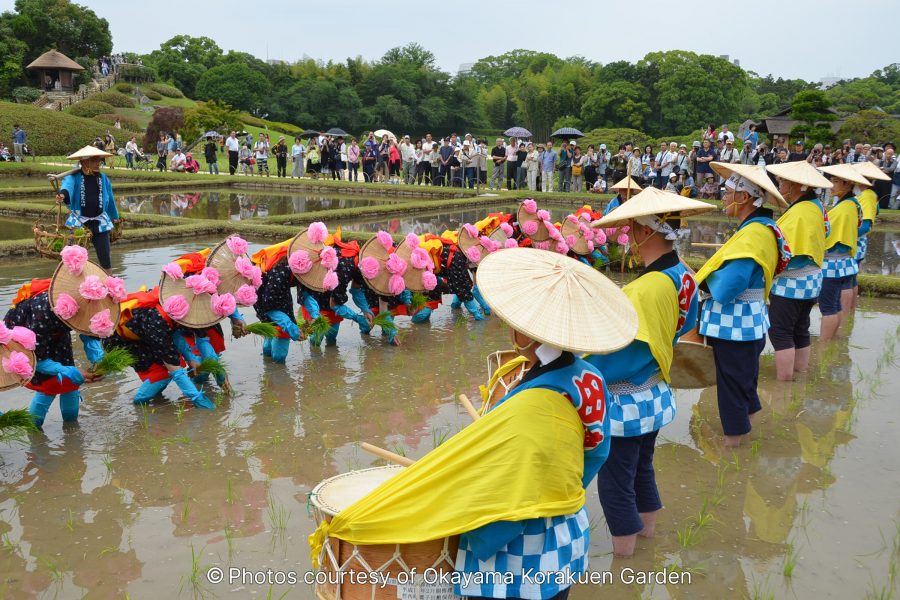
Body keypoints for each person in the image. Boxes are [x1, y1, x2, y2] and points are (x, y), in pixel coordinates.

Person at [590, 187, 713, 557]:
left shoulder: (644, 289)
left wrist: (581, 366)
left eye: (631, 228)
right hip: (656, 391)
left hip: (625, 401)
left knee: (615, 483)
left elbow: (617, 355)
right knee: (642, 468)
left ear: (646, 231)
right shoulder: (684, 274)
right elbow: (685, 325)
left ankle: (624, 564)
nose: (627, 235)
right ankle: (647, 539)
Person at [695, 163, 791, 447]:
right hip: (749, 322)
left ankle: (733, 449)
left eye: (728, 192)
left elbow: (727, 288)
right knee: (744, 384)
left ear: (744, 197)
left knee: (731, 389)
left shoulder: (753, 234)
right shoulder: (762, 227)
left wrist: (703, 279)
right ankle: (745, 436)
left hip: (734, 326)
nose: (723, 197)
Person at [766, 161, 832, 380]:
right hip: (811, 282)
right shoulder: (815, 205)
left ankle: (784, 383)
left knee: (780, 332)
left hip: (791, 284)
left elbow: (790, 253)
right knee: (800, 329)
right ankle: (800, 374)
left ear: (796, 185)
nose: (779, 182)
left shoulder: (801, 212)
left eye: (783, 180)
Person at [817, 164, 870, 342]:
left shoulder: (844, 208)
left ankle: (823, 345)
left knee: (827, 307)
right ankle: (834, 340)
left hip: (833, 263)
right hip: (846, 263)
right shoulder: (853, 203)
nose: (831, 185)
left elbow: (827, 234)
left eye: (835, 182)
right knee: (835, 304)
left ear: (847, 184)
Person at [55, 146, 121, 271]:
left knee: (105, 258)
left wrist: (115, 218)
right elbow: (67, 187)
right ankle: (72, 284)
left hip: (100, 221)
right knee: (74, 260)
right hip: (80, 222)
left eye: (99, 161)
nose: (98, 164)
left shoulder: (103, 178)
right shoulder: (74, 177)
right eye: (94, 160)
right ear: (84, 162)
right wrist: (62, 195)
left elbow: (110, 200)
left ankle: (108, 284)